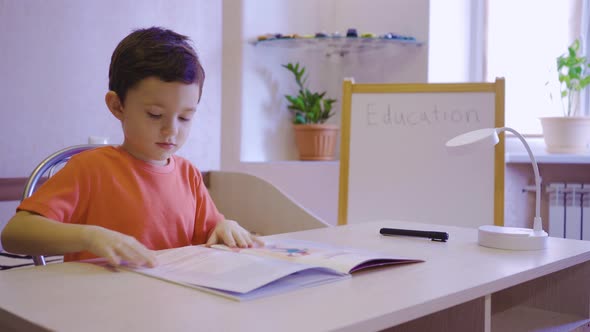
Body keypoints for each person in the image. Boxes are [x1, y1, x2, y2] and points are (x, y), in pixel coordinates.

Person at [1, 27, 261, 268]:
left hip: (170, 305)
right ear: (117, 106)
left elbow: (212, 232)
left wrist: (227, 226)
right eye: (155, 114)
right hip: (98, 306)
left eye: (185, 117)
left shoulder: (188, 175)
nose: (171, 130)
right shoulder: (91, 168)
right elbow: (15, 235)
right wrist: (89, 236)